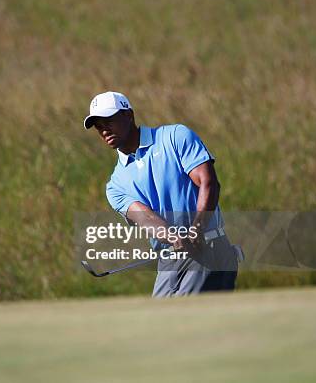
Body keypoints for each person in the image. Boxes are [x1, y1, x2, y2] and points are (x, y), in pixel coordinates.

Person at [83, 91, 240, 296]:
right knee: (157, 324)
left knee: (185, 322)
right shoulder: (115, 185)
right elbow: (146, 217)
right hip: (169, 260)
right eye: (98, 126)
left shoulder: (174, 137)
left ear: (128, 115)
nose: (104, 130)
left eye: (109, 121)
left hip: (208, 250)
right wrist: (174, 237)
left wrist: (197, 228)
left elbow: (208, 182)